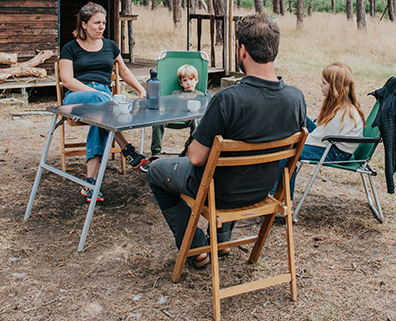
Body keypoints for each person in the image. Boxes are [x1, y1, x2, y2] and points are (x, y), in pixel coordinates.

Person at [147, 14, 306, 269]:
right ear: (274, 49)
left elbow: (197, 157)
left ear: (242, 51)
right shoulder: (296, 98)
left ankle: (197, 246)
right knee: (233, 169)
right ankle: (220, 241)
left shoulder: (228, 98)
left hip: (220, 192)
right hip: (263, 190)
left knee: (156, 171)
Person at [59, 2, 148, 202]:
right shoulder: (70, 48)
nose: (102, 27)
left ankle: (91, 183)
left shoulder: (110, 46)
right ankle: (127, 147)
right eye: (97, 23)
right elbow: (67, 80)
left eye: (104, 23)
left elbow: (123, 71)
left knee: (101, 118)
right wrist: (96, 93)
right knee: (104, 103)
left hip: (103, 102)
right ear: (84, 24)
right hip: (77, 97)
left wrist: (141, 88)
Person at [281, 62, 365, 197]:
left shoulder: (343, 113)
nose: (320, 85)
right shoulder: (340, 105)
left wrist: (292, 142)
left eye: (324, 83)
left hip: (335, 152)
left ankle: (283, 199)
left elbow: (318, 138)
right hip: (330, 142)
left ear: (334, 88)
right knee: (299, 116)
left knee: (286, 152)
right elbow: (321, 132)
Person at [149, 64, 206, 159]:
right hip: (173, 116)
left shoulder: (200, 95)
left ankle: (188, 148)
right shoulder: (175, 94)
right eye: (185, 80)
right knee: (158, 122)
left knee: (198, 123)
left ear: (196, 80)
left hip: (191, 118)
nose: (188, 83)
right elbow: (169, 108)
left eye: (191, 79)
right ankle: (155, 153)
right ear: (181, 83)